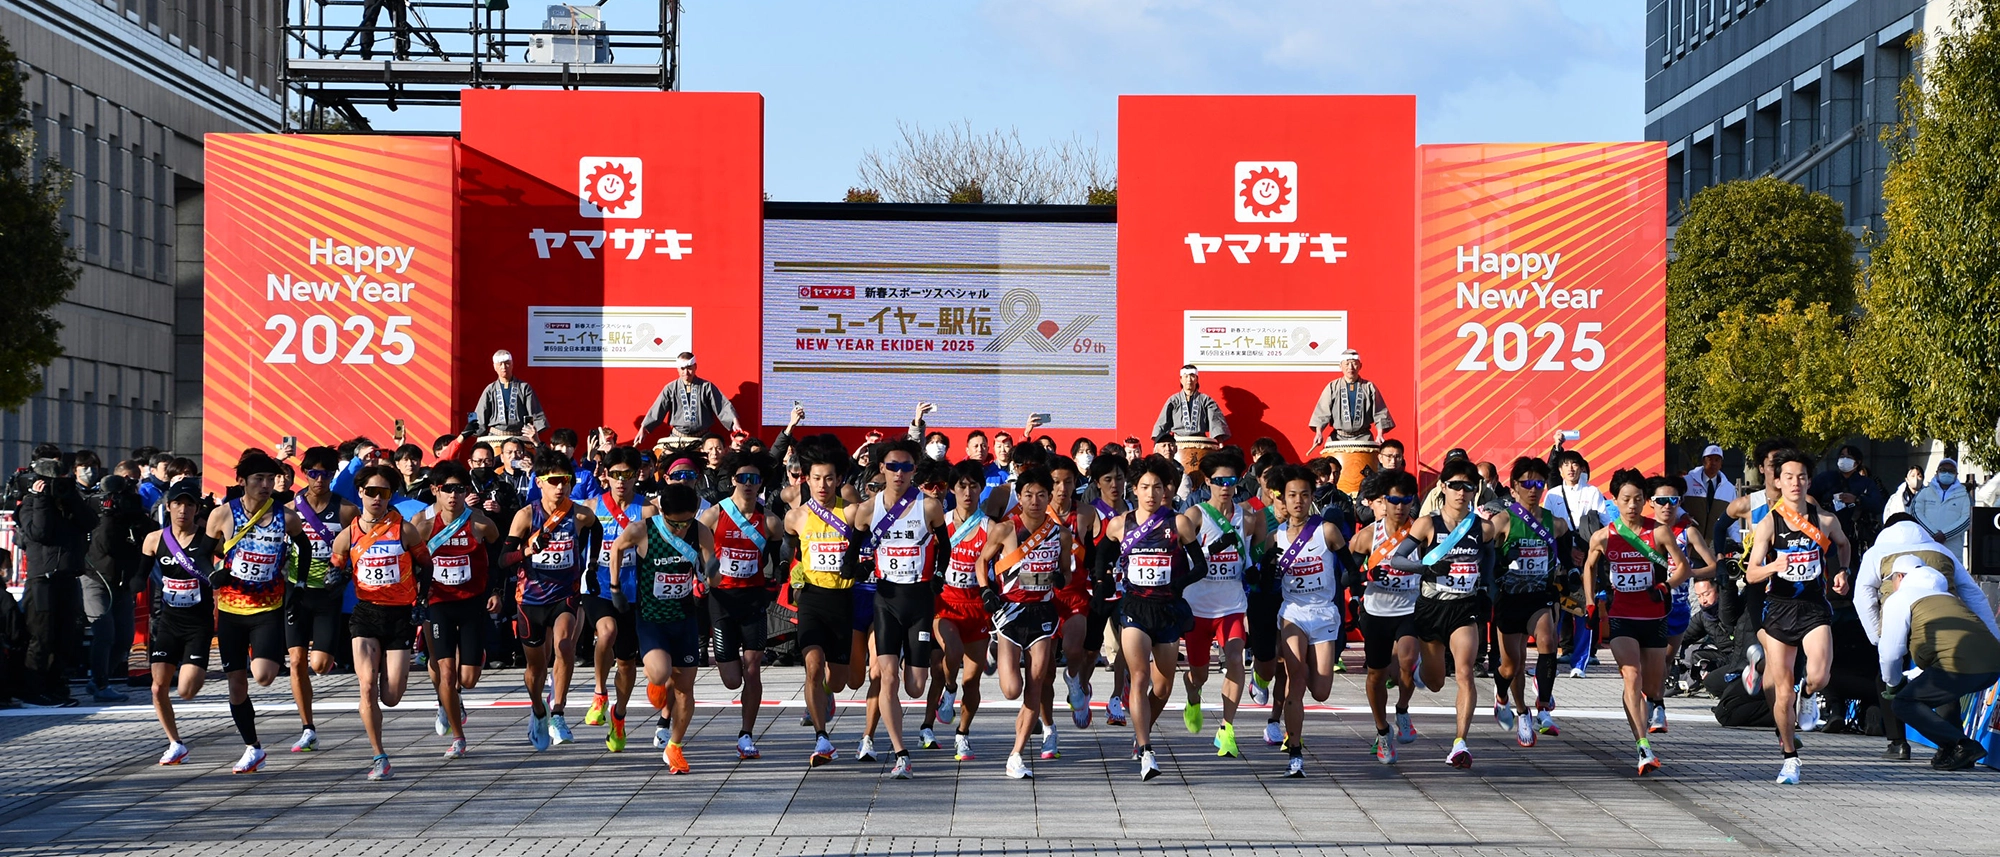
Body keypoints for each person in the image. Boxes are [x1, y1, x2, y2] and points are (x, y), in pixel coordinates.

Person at [1743, 448, 1852, 785]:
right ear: (1777, 481)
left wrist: (1843, 572)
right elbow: (1750, 574)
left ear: (1808, 482)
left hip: (1814, 608)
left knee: (1819, 676)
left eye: (1801, 477)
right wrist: (1772, 566)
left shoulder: (1826, 520)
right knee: (1783, 691)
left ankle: (1809, 697)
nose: (1795, 483)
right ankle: (1790, 757)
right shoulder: (1769, 523)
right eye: (1788, 477)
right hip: (1779, 610)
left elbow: (1844, 545)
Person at [1854, 515, 1999, 761]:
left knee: (1895, 686)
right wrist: (1994, 637)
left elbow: (1862, 596)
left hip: (1907, 621)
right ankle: (1952, 749)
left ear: (1898, 577)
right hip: (1964, 632)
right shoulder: (1940, 550)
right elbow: (1974, 594)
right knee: (1940, 682)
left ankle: (1900, 744)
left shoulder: (1877, 554)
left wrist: (1877, 637)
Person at [1391, 457, 1505, 769]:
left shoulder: (1482, 528)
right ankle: (1416, 676)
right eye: (1455, 485)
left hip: (1464, 607)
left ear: (1475, 492)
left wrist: (1489, 589)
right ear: (1443, 487)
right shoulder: (1427, 523)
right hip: (1431, 608)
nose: (1461, 492)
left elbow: (1490, 563)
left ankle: (1460, 743)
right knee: (1436, 681)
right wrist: (1427, 566)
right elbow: (1397, 560)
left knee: (1465, 671)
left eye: (1468, 487)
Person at [1098, 454, 1205, 780]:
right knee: (1140, 676)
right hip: (1134, 609)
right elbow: (1101, 554)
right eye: (1144, 487)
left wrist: (1177, 584)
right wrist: (1101, 581)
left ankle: (1142, 729)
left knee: (1162, 687)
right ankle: (1146, 751)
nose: (1150, 493)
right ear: (1135, 489)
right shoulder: (1120, 524)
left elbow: (1200, 565)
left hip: (1168, 610)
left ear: (1166, 490)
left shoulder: (1179, 523)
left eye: (1157, 487)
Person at [848, 439, 948, 779]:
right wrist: (858, 567)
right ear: (882, 469)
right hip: (885, 601)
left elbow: (944, 545)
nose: (899, 473)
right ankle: (901, 752)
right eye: (893, 466)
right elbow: (852, 550)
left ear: (914, 471)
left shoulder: (929, 506)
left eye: (906, 467)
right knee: (886, 677)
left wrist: (937, 575)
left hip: (919, 602)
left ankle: (919, 691)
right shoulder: (867, 508)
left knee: (915, 686)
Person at [1582, 470, 1692, 776]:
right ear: (1615, 500)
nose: (1632, 505)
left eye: (1638, 499)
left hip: (1654, 618)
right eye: (1626, 499)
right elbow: (1588, 568)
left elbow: (1683, 568)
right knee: (1631, 676)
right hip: (1621, 618)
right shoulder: (1604, 536)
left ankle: (1653, 707)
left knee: (1652, 686)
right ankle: (1643, 746)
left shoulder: (1659, 533)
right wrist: (1591, 603)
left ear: (1646, 501)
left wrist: (1665, 587)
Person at [202, 452, 302, 773]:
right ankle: (253, 747)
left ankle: (254, 742)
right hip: (231, 610)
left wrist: (296, 582)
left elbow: (307, 548)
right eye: (258, 479)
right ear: (241, 482)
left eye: (270, 479)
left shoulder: (285, 517)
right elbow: (202, 555)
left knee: (263, 676)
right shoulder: (222, 515)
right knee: (236, 684)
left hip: (268, 608)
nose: (265, 485)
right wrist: (211, 574)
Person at [608, 481, 713, 773]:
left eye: (685, 522)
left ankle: (675, 747)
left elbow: (711, 561)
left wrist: (710, 575)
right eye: (673, 523)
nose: (680, 529)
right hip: (652, 618)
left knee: (684, 690)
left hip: (685, 619)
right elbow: (617, 548)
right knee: (660, 672)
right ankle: (656, 683)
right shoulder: (643, 529)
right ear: (662, 511)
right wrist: (616, 587)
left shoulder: (700, 530)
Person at [326, 465, 420, 781]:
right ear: (361, 493)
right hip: (365, 615)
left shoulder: (405, 531)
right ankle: (379, 755)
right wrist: (333, 578)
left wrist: (421, 604)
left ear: (391, 495)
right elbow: (334, 569)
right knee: (366, 687)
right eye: (370, 492)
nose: (377, 498)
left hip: (399, 617)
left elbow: (427, 567)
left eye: (384, 492)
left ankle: (383, 672)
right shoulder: (346, 535)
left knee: (390, 696)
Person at [977, 466, 1070, 780]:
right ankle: (996, 646)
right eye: (1028, 494)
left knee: (1037, 681)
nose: (1035, 500)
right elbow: (982, 561)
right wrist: (986, 590)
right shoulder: (1005, 529)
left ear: (1050, 497)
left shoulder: (1061, 533)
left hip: (1042, 614)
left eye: (1041, 495)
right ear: (1019, 497)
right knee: (1011, 689)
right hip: (1010, 614)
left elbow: (1066, 572)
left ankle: (1016, 755)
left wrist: (1059, 577)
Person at [505, 449, 597, 750]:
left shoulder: (580, 513)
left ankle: (558, 711)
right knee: (535, 668)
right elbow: (502, 560)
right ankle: (538, 709)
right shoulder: (526, 516)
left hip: (565, 594)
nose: (561, 487)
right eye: (554, 480)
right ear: (540, 482)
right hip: (531, 597)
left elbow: (595, 530)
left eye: (566, 480)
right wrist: (528, 552)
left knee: (564, 646)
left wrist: (592, 566)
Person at [1178, 447, 1266, 758]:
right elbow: (1183, 559)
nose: (1225, 487)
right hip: (1199, 605)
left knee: (1234, 657)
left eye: (1230, 481)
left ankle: (1227, 729)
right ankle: (1192, 695)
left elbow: (1260, 552)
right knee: (1199, 673)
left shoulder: (1250, 517)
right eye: (1219, 481)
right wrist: (1213, 549)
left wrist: (1257, 567)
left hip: (1232, 603)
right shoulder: (1195, 515)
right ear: (1207, 482)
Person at [412, 460, 503, 761]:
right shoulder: (422, 524)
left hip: (471, 603)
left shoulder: (479, 522)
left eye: (459, 489)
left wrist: (495, 590)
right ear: (436, 491)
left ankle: (468, 671)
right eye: (447, 489)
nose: (453, 495)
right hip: (438, 604)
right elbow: (409, 560)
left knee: (468, 680)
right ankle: (458, 736)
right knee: (446, 674)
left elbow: (497, 554)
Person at [1876, 555, 2000, 771]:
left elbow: (1890, 652)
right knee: (1943, 694)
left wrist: (1893, 683)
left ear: (1900, 577)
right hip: (1992, 664)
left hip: (1960, 665)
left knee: (1904, 703)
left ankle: (1964, 745)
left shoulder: (1901, 598)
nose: (1892, 586)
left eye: (1892, 580)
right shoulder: (1950, 598)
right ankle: (1953, 750)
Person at [1263, 464, 1348, 777]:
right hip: (1293, 613)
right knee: (1295, 680)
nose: (1298, 501)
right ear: (1283, 499)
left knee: (1321, 691)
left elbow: (1349, 567)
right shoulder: (1276, 537)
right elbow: (1267, 580)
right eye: (1291, 495)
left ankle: (1311, 665)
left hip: (1324, 613)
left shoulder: (1326, 531)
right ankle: (1295, 753)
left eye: (1304, 495)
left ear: (1312, 497)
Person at [699, 449, 781, 761]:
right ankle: (742, 713)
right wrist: (703, 571)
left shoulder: (770, 522)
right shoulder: (714, 515)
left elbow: (780, 557)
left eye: (754, 479)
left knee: (753, 666)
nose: (748, 484)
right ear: (733, 479)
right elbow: (695, 548)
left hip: (752, 600)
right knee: (732, 679)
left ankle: (746, 734)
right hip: (721, 601)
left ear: (761, 484)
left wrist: (780, 576)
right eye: (742, 478)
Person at [785, 438, 858, 767]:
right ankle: (821, 737)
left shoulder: (852, 512)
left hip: (843, 599)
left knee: (838, 680)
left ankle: (828, 694)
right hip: (812, 598)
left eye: (829, 478)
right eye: (816, 478)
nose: (822, 485)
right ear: (806, 479)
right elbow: (792, 553)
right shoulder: (796, 517)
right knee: (812, 665)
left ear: (838, 479)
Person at [1491, 457, 1572, 748]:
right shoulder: (1503, 520)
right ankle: (1509, 702)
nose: (1533, 489)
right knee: (1511, 666)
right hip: (1510, 599)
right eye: (1527, 484)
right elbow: (1485, 548)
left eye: (1539, 483)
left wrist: (1571, 570)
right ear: (1514, 488)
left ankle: (1543, 703)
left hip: (1540, 596)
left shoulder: (1555, 522)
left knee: (1548, 640)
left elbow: (1567, 546)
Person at [283, 447, 357, 753]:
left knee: (321, 665)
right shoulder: (289, 509)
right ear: (304, 473)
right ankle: (307, 727)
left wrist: (345, 572)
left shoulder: (347, 510)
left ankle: (310, 720)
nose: (319, 480)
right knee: (297, 661)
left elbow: (359, 549)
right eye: (313, 473)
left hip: (328, 595)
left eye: (326, 474)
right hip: (296, 591)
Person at [579, 446, 653, 752]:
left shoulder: (647, 509)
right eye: (615, 474)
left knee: (626, 663)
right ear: (605, 475)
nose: (621, 481)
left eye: (628, 474)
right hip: (597, 588)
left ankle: (619, 716)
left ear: (638, 475)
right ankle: (599, 692)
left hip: (635, 592)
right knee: (605, 632)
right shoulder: (590, 507)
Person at [1347, 468, 1422, 763]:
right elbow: (1346, 576)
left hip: (1409, 607)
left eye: (1406, 501)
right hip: (1376, 612)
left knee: (1407, 660)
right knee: (1376, 675)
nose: (1400, 507)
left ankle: (1402, 709)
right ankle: (1382, 732)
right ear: (1383, 501)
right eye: (1394, 500)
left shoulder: (1420, 532)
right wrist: (1366, 574)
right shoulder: (1368, 535)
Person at [17, 445, 98, 707]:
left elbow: (90, 522)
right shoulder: (30, 502)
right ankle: (33, 689)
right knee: (41, 636)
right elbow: (39, 533)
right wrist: (41, 499)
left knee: (66, 635)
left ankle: (55, 686)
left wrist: (70, 495)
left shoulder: (67, 500)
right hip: (42, 578)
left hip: (67, 575)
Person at [142, 482, 216, 765]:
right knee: (157, 687)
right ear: (168, 506)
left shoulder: (208, 538)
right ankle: (175, 743)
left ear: (197, 509)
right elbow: (141, 572)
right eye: (177, 504)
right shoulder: (153, 539)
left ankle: (194, 669)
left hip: (198, 623)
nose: (182, 510)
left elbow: (230, 559)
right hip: (168, 622)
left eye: (189, 505)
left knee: (186, 689)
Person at [933, 460, 995, 762]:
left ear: (981, 488)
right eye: (962, 486)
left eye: (973, 485)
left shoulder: (990, 527)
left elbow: (1003, 564)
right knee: (952, 651)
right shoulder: (940, 523)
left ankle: (963, 735)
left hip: (977, 608)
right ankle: (947, 687)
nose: (968, 491)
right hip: (946, 604)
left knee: (973, 681)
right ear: (952, 489)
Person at [1653, 475, 1718, 730]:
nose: (1667, 505)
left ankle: (1654, 701)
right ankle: (1655, 704)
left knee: (1666, 660)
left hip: (1678, 605)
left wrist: (1687, 573)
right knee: (1651, 659)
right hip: (1648, 605)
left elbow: (1712, 566)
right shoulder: (1644, 529)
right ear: (1652, 502)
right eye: (1661, 500)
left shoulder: (1687, 531)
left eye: (1673, 500)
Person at [1048, 455, 1103, 734]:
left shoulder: (1086, 513)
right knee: (1042, 669)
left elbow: (1095, 556)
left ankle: (1073, 679)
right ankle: (1045, 724)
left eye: (1068, 482)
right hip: (1042, 596)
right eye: (1056, 482)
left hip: (1075, 594)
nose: (1062, 488)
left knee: (1074, 651)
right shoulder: (1035, 511)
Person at [83, 473, 147, 703]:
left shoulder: (131, 514)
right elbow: (105, 545)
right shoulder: (97, 514)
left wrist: (137, 514)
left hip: (122, 582)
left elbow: (147, 535)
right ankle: (100, 684)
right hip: (95, 579)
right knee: (105, 632)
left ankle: (100, 680)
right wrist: (108, 515)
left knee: (124, 638)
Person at [638, 351, 744, 450]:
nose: (686, 372)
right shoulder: (670, 388)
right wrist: (644, 427)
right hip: (677, 438)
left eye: (689, 368)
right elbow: (658, 409)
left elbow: (722, 405)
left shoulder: (706, 387)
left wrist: (734, 422)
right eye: (682, 368)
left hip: (702, 438)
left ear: (695, 367)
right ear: (678, 369)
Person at [1306, 349, 1396, 450]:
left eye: (1354, 364)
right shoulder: (1332, 387)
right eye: (1347, 364)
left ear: (1360, 366)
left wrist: (1380, 434)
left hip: (1363, 437)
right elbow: (1322, 412)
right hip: (1338, 438)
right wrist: (1319, 433)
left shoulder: (1369, 387)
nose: (1351, 367)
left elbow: (1379, 412)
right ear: (1340, 366)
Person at [1809, 445, 1886, 552]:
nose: (1844, 459)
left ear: (1857, 462)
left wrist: (1857, 500)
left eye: (1849, 457)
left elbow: (1879, 505)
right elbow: (1808, 497)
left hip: (1856, 536)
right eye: (1842, 456)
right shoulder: (1826, 478)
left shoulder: (1866, 483)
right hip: (1827, 533)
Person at [471, 350, 548, 442]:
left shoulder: (524, 387)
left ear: (512, 365)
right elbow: (480, 412)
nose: (504, 367)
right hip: (495, 437)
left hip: (519, 438)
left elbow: (533, 412)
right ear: (495, 366)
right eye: (500, 364)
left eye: (507, 363)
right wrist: (472, 428)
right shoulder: (490, 389)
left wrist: (530, 432)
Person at [1150, 364, 1230, 445]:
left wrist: (1220, 443)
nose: (1189, 379)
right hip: (1178, 443)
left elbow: (1215, 422)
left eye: (1192, 376)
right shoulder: (1173, 400)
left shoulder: (1206, 400)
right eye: (1186, 376)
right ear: (1181, 379)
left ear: (1197, 379)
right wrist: (1158, 443)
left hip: (1200, 442)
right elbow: (1162, 422)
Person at [1682, 444, 1737, 547]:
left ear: (1721, 463)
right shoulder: (1687, 481)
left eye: (1717, 460)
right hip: (1689, 544)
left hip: (1714, 547)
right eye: (1710, 459)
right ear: (1703, 461)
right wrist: (1682, 514)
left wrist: (1737, 542)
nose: (1713, 463)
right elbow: (1675, 505)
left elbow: (1733, 520)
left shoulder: (1729, 489)